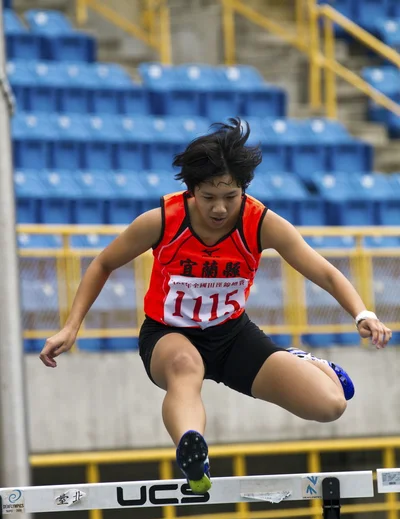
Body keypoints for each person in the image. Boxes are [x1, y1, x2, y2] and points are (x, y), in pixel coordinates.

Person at [39, 118, 392, 494]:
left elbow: (324, 272)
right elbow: (103, 263)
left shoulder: (261, 223)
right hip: (168, 335)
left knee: (330, 406)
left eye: (231, 196)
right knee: (185, 366)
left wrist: (362, 313)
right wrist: (71, 325)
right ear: (191, 191)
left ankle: (304, 361)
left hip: (232, 335)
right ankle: (194, 455)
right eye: (209, 197)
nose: (220, 209)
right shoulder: (162, 221)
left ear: (244, 189)